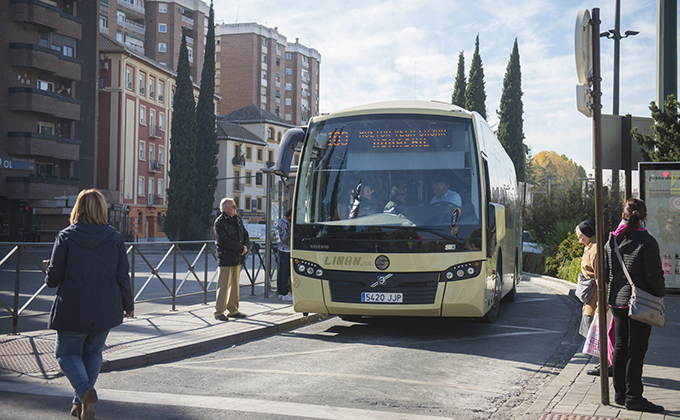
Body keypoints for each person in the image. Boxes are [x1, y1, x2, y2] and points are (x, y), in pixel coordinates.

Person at [45, 189, 134, 420]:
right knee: (93, 351)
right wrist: (128, 303)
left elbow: (53, 279)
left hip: (73, 304)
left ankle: (84, 392)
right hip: (106, 305)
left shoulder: (66, 236)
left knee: (65, 352)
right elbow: (123, 275)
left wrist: (49, 270)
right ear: (102, 209)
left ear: (78, 208)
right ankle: (80, 402)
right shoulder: (114, 237)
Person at [604, 198, 665, 413]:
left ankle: (620, 394)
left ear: (623, 215)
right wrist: (659, 296)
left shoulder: (611, 240)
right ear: (645, 217)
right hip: (640, 303)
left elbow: (605, 272)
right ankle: (634, 397)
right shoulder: (647, 242)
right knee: (637, 350)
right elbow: (654, 276)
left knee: (620, 347)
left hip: (617, 303)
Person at [576, 220, 612, 377]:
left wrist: (601, 305)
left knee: (599, 333)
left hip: (596, 300)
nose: (579, 240)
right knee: (595, 332)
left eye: (581, 236)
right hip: (591, 300)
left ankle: (607, 364)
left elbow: (601, 280)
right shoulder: (590, 247)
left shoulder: (596, 250)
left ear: (589, 235)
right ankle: (605, 363)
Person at [214, 198, 250, 321]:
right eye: (233, 206)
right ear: (225, 209)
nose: (235, 208)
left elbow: (245, 235)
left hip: (237, 257)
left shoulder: (238, 220)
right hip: (225, 258)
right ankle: (219, 312)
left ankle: (233, 310)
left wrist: (245, 246)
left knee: (235, 286)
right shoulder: (219, 222)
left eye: (235, 206)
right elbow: (223, 241)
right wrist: (241, 247)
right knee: (223, 286)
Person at [276, 208, 293, 301]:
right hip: (286, 249)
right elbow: (285, 237)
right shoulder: (285, 223)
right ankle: (284, 292)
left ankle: (281, 291)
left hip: (282, 249)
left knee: (282, 271)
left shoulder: (280, 222)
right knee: (285, 272)